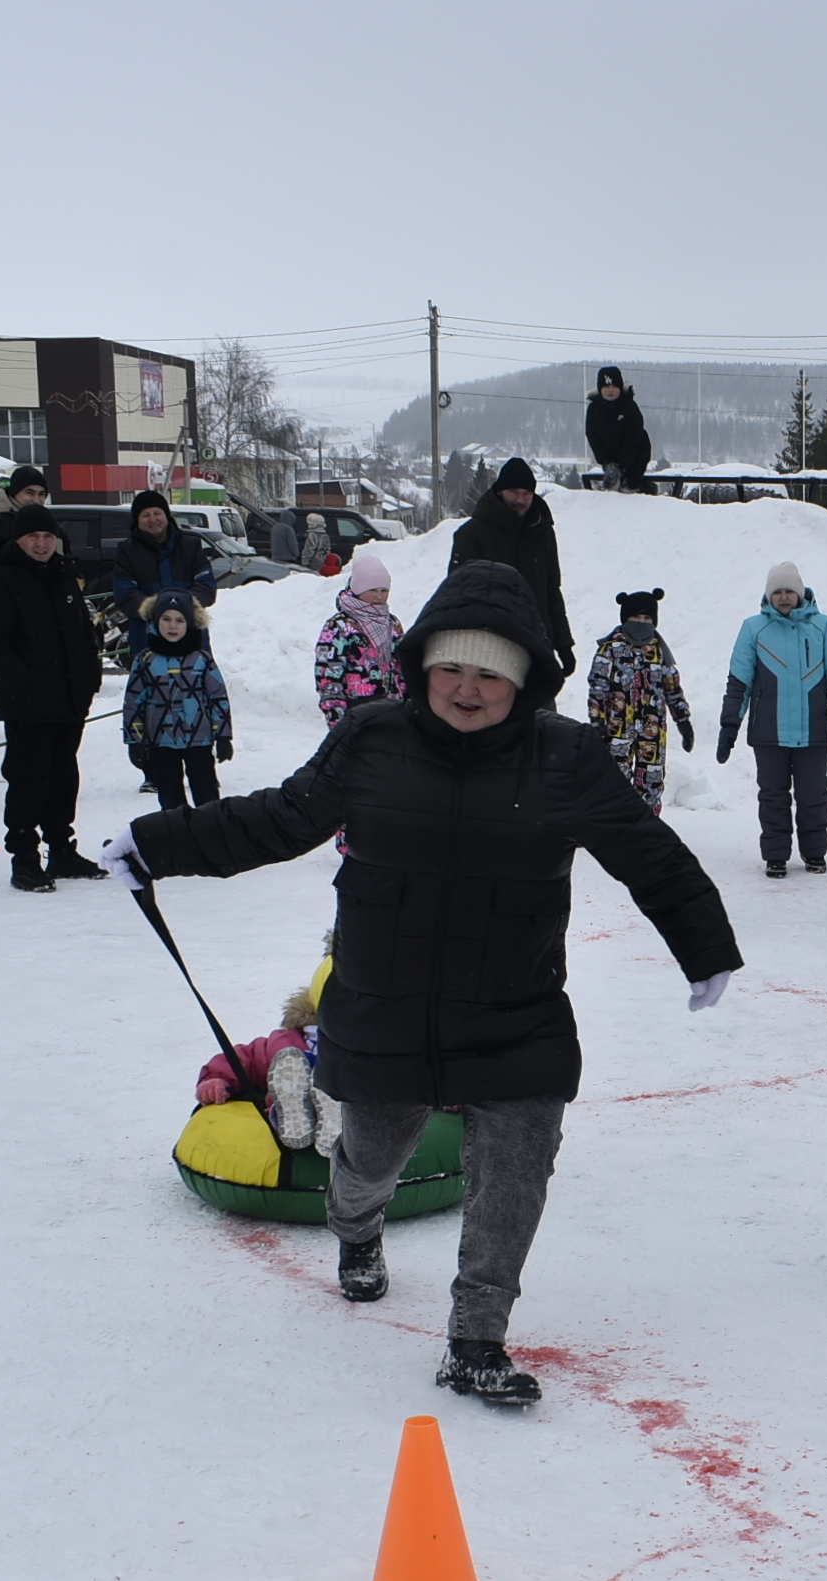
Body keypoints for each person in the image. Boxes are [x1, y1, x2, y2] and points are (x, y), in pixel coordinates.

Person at [103, 559, 742, 1407]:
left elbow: (646, 851)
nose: (468, 688)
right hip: (385, 1006)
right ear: (423, 665)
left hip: (515, 1009)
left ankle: (477, 1337)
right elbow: (279, 820)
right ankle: (355, 1226)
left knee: (517, 1172)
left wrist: (704, 945)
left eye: (491, 673)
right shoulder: (373, 739)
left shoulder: (566, 757)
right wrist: (158, 843)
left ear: (524, 679)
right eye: (453, 667)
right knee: (369, 1160)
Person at [0, 502, 106, 892]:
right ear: (19, 540)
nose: (42, 544)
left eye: (48, 536)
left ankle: (61, 849)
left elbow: (85, 632)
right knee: (28, 781)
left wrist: (89, 676)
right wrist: (23, 681)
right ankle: (25, 858)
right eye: (33, 537)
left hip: (69, 699)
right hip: (28, 703)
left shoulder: (63, 576)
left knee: (64, 778)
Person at [721, 560, 827, 874]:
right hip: (769, 733)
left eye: (789, 591)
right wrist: (729, 726)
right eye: (777, 591)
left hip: (813, 733)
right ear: (769, 595)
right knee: (773, 797)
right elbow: (739, 682)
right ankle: (776, 854)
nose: (783, 597)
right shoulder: (753, 628)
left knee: (813, 796)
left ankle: (814, 853)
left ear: (800, 593)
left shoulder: (823, 627)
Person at [193, 962, 339, 1157]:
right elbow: (245, 1059)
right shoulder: (286, 1045)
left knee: (343, 1086)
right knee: (292, 1065)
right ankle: (293, 1111)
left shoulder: (285, 1042)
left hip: (353, 1116)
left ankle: (333, 1115)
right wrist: (216, 1079)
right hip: (297, 1114)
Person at [448, 458, 574, 682]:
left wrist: (563, 644)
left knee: (541, 705)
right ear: (499, 491)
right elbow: (459, 596)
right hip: (492, 650)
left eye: (527, 493)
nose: (520, 500)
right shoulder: (472, 534)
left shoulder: (542, 531)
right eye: (514, 492)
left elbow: (551, 590)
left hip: (537, 644)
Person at [123, 589, 233, 812]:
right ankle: (176, 832)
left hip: (199, 741)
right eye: (166, 619)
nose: (172, 626)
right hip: (160, 741)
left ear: (190, 623)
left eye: (179, 620)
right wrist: (135, 741)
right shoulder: (145, 661)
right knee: (170, 800)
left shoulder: (202, 659)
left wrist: (223, 736)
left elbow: (217, 697)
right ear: (155, 620)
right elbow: (134, 702)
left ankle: (210, 831)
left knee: (207, 796)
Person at [589, 587, 694, 813]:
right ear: (625, 618)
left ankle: (647, 828)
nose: (641, 623)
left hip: (652, 730)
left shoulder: (659, 650)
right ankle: (614, 827)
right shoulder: (610, 649)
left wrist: (683, 720)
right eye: (636, 617)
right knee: (615, 783)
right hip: (616, 730)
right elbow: (598, 687)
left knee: (650, 785)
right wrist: (597, 721)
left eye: (647, 618)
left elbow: (672, 688)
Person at [108, 490, 219, 650]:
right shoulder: (127, 551)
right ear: (137, 521)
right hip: (147, 638)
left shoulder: (190, 545)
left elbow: (206, 586)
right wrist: (159, 610)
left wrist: (180, 608)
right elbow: (125, 594)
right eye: (146, 515)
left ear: (166, 515)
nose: (153, 519)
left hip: (191, 636)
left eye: (157, 513)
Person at [314, 549, 401, 723]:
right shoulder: (339, 626)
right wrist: (338, 721)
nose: (379, 596)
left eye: (384, 590)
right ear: (358, 589)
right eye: (372, 590)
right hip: (356, 713)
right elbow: (328, 676)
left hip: (392, 712)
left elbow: (401, 666)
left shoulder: (392, 624)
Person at [586, 366, 653, 490]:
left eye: (614, 386)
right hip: (609, 458)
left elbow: (634, 435)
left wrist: (623, 464)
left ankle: (636, 486)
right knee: (613, 487)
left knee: (630, 485)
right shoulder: (594, 410)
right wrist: (606, 462)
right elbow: (593, 437)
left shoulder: (629, 407)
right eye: (606, 387)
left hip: (635, 457)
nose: (610, 390)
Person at [0, 465, 52, 567]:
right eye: (30, 493)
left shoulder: (48, 522)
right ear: (14, 493)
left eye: (41, 494)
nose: (37, 500)